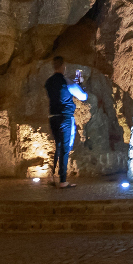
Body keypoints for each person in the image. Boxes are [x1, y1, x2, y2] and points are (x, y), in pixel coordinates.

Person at [44, 56, 88, 188]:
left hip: (52, 117)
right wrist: (80, 85)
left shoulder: (48, 82)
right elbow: (83, 96)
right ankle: (63, 180)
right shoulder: (67, 82)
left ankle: (52, 177)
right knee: (65, 147)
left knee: (57, 145)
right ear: (63, 66)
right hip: (65, 117)